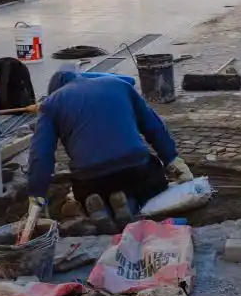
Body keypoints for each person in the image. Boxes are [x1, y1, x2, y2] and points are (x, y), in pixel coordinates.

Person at [27, 67, 194, 223]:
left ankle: (101, 210)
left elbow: (41, 154)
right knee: (151, 185)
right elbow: (154, 126)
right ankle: (132, 206)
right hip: (136, 169)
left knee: (83, 197)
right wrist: (172, 159)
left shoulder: (50, 104)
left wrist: (37, 195)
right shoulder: (119, 85)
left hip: (91, 178)